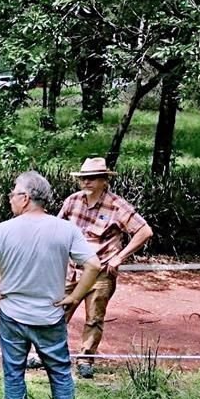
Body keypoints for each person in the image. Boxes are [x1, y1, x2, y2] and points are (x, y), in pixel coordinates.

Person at [0, 171, 101, 399]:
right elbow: (94, 265)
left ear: (25, 198)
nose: (10, 199)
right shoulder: (65, 229)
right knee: (60, 373)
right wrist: (74, 296)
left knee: (14, 373)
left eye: (13, 193)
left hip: (12, 316)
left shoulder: (3, 230)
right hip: (50, 316)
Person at [57, 157, 154, 378]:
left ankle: (86, 358)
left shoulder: (117, 205)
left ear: (104, 181)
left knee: (94, 317)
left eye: (92, 178)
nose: (86, 182)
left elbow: (145, 231)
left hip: (100, 272)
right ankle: (49, 354)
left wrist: (120, 257)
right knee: (57, 312)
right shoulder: (72, 201)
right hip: (72, 270)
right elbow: (57, 229)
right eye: (83, 178)